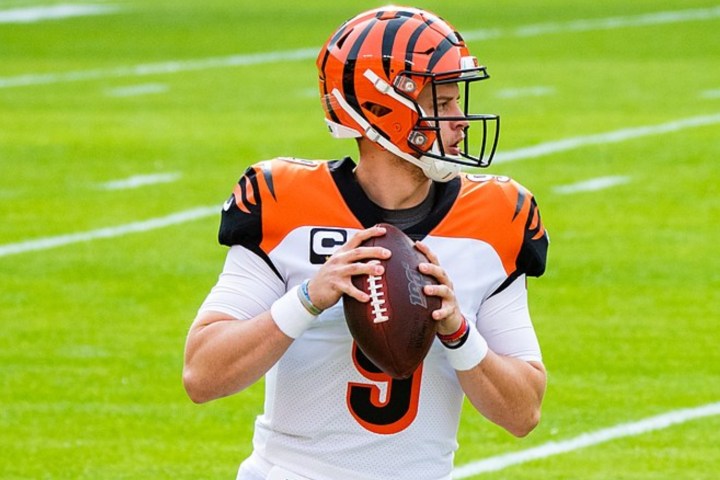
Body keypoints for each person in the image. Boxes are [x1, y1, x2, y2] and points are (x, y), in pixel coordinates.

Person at [183, 6, 549, 480]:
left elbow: (523, 413)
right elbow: (201, 375)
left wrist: (458, 331)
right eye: (441, 103)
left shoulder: (495, 217)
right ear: (383, 109)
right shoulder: (285, 202)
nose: (460, 120)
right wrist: (308, 299)